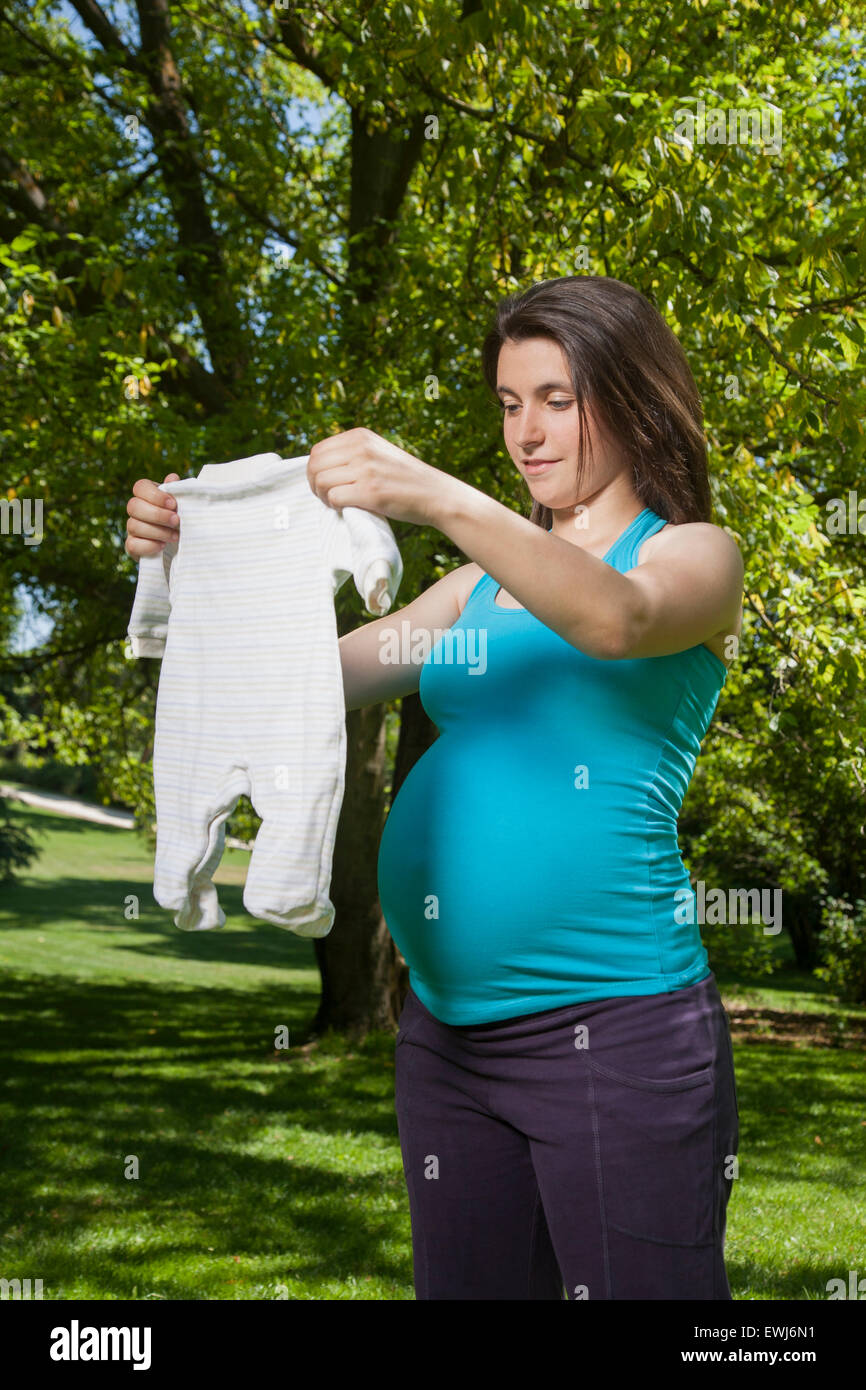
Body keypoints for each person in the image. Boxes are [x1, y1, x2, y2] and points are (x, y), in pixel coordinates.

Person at [125, 274, 743, 1301]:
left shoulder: (692, 557)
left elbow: (615, 620)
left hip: (615, 1033)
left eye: (555, 397)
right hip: (445, 1042)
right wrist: (199, 563)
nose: (525, 432)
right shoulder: (479, 588)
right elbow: (301, 680)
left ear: (631, 396)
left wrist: (435, 495)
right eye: (507, 404)